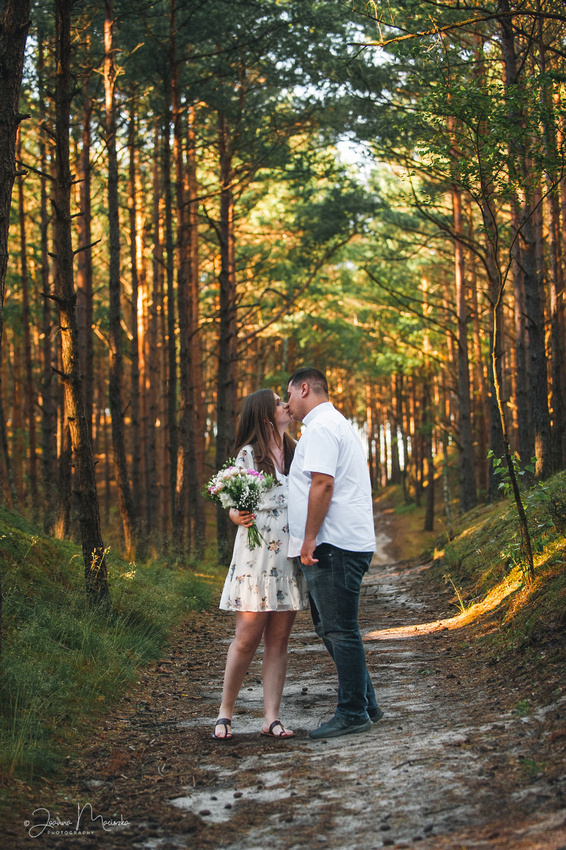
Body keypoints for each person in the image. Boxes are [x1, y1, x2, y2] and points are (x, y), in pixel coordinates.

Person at [286, 367, 383, 739]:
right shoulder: (330, 425)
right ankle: (366, 704)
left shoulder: (323, 427)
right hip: (338, 543)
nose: (288, 404)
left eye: (289, 395)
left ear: (304, 389)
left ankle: (352, 712)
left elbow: (322, 484)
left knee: (340, 629)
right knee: (330, 627)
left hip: (334, 544)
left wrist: (309, 539)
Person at [213, 388, 309, 741]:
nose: (287, 406)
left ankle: (271, 717)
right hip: (256, 559)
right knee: (247, 637)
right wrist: (234, 514)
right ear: (265, 415)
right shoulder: (248, 455)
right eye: (279, 403)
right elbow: (233, 500)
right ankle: (225, 712)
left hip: (288, 558)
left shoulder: (298, 451)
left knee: (279, 639)